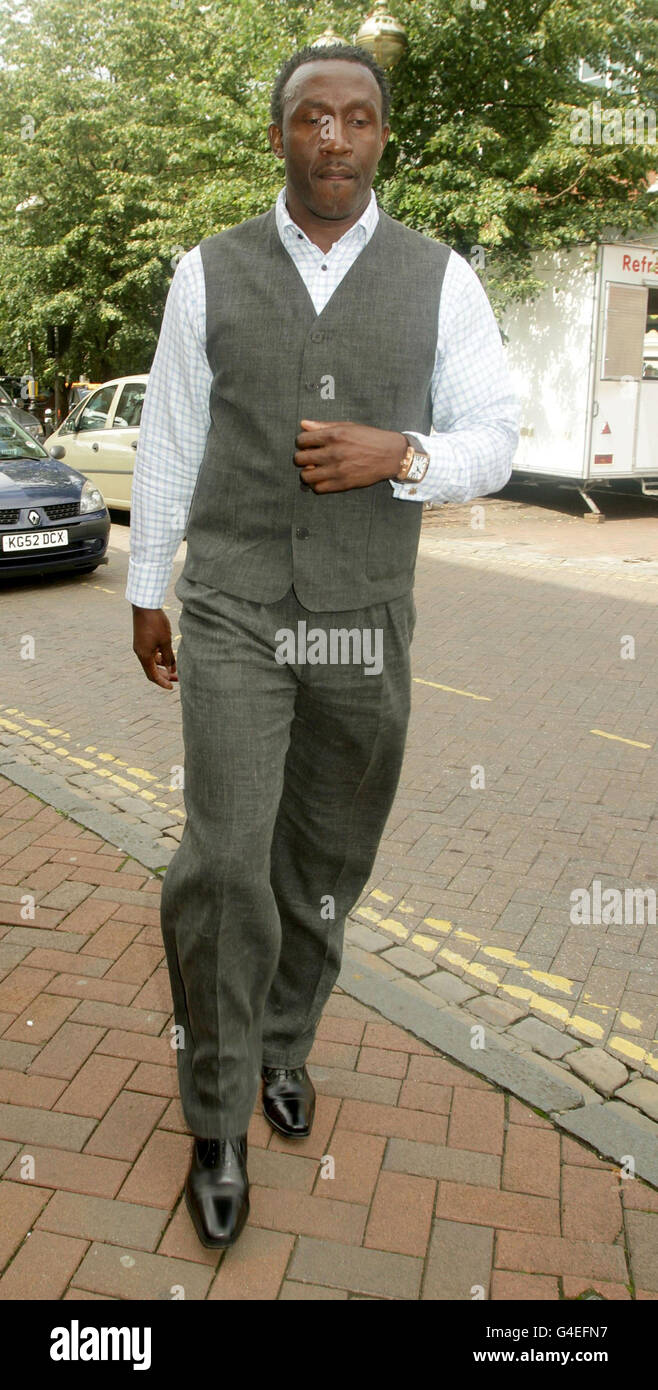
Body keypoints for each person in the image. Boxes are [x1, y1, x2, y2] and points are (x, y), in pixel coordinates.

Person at [126, 43, 520, 1250]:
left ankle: (285, 1043)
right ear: (280, 135)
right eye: (311, 119)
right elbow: (170, 437)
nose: (333, 139)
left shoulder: (441, 279)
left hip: (362, 620)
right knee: (224, 865)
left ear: (382, 137)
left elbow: (496, 436)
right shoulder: (208, 273)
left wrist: (401, 456)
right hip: (238, 607)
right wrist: (149, 587)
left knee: (322, 867)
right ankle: (217, 1111)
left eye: (356, 119)